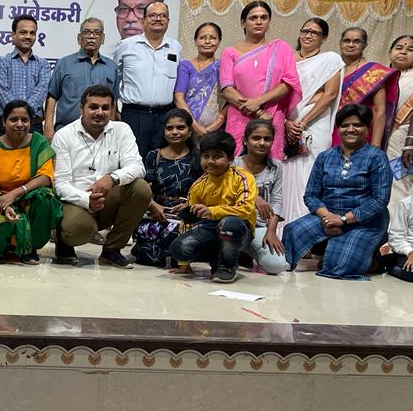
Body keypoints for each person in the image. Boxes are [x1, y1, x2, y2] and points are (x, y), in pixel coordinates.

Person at [283, 104, 392, 280]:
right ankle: (335, 250)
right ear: (338, 128)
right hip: (329, 216)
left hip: (365, 221)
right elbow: (311, 195)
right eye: (344, 125)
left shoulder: (377, 157)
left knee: (339, 267)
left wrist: (343, 220)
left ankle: (375, 260)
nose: (351, 129)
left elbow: (380, 200)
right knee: (292, 231)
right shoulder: (325, 157)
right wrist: (328, 218)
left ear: (367, 128)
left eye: (357, 125)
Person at [53, 85, 150, 267]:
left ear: (112, 109)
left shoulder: (122, 130)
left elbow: (138, 166)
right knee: (77, 230)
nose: (100, 112)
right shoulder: (64, 135)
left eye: (105, 108)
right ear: (81, 108)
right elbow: (60, 184)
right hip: (75, 202)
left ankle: (111, 251)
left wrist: (112, 178)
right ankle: (63, 241)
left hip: (107, 200)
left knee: (141, 188)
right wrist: (87, 200)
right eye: (93, 107)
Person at [0, 100, 62, 264]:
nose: (19, 124)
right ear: (3, 122)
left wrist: (17, 192)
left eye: (24, 120)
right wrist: (4, 205)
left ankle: (30, 248)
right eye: (13, 119)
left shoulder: (39, 143)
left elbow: (46, 176)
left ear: (31, 122)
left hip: (28, 197)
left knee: (45, 199)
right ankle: (7, 246)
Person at [168, 131, 256, 284]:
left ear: (230, 159)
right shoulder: (198, 185)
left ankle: (227, 266)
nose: (210, 161)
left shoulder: (243, 177)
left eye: (217, 156)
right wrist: (183, 264)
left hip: (239, 228)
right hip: (210, 228)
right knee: (179, 248)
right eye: (205, 156)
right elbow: (188, 220)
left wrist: (212, 211)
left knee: (229, 224)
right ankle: (217, 258)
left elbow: (246, 209)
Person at [219, 0, 301, 161]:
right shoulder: (229, 52)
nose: (259, 22)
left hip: (271, 116)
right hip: (240, 115)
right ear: (243, 23)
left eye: (264, 18)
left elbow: (288, 84)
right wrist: (257, 111)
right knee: (236, 165)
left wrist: (259, 102)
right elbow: (227, 90)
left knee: (271, 165)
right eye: (253, 18)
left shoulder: (281, 48)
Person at [281, 18, 344, 224]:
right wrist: (286, 122)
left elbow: (329, 94)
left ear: (324, 38)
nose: (308, 35)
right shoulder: (287, 59)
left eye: (315, 32)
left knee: (310, 172)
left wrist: (303, 123)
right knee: (285, 174)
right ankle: (282, 226)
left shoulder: (331, 59)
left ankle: (306, 225)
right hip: (287, 123)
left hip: (315, 123)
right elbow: (278, 94)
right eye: (305, 30)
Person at [131, 109, 200, 268]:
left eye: (180, 127)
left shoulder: (198, 157)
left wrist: (189, 204)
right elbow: (142, 186)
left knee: (175, 249)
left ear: (190, 131)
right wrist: (152, 205)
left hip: (185, 217)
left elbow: (206, 189)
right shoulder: (153, 156)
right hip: (156, 213)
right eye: (170, 128)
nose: (174, 132)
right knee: (148, 258)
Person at [114, 1, 183, 155]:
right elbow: (114, 80)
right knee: (132, 158)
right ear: (143, 20)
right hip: (134, 115)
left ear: (168, 21)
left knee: (161, 158)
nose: (158, 19)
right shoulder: (126, 46)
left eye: (163, 16)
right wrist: (114, 108)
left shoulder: (175, 47)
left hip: (165, 115)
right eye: (153, 15)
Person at [45, 18, 117, 139]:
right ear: (79, 38)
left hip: (100, 135)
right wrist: (48, 128)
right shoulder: (64, 63)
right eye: (86, 32)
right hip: (66, 132)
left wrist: (111, 132)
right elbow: (52, 98)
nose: (91, 36)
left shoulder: (111, 66)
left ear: (103, 38)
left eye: (97, 33)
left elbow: (113, 102)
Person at [234, 120, 287, 275]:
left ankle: (247, 250)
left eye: (267, 139)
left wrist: (271, 232)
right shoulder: (233, 164)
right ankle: (239, 250)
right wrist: (254, 197)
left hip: (259, 227)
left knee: (276, 266)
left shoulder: (276, 167)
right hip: (234, 224)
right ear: (245, 140)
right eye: (256, 138)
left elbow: (277, 200)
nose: (262, 143)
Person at [335, 26, 398, 149]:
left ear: (365, 45)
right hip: (332, 128)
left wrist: (375, 145)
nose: (351, 45)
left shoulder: (374, 72)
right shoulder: (332, 68)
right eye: (347, 41)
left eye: (357, 41)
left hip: (359, 131)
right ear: (340, 43)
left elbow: (379, 110)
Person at [383, 35, 413, 213]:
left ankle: (397, 223)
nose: (403, 52)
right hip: (377, 137)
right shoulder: (378, 75)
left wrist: (410, 141)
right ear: (390, 51)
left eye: (410, 49)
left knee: (400, 182)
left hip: (403, 136)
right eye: (399, 47)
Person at [0, 14, 50, 136]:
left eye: (32, 33)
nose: (28, 36)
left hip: (34, 125)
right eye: (23, 32)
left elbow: (41, 92)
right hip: (5, 124)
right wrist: (19, 116)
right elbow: (3, 93)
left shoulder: (43, 64)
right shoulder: (2, 63)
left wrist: (24, 116)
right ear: (13, 35)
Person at [174, 22, 224, 137]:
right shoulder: (185, 66)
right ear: (195, 41)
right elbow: (178, 98)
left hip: (216, 128)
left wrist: (217, 123)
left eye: (212, 38)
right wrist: (195, 126)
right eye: (202, 38)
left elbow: (228, 99)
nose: (207, 42)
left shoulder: (223, 66)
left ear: (219, 41)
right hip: (188, 127)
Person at [385, 157, 413, 283]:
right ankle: (391, 266)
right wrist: (410, 252)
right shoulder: (407, 204)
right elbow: (396, 237)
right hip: (410, 250)